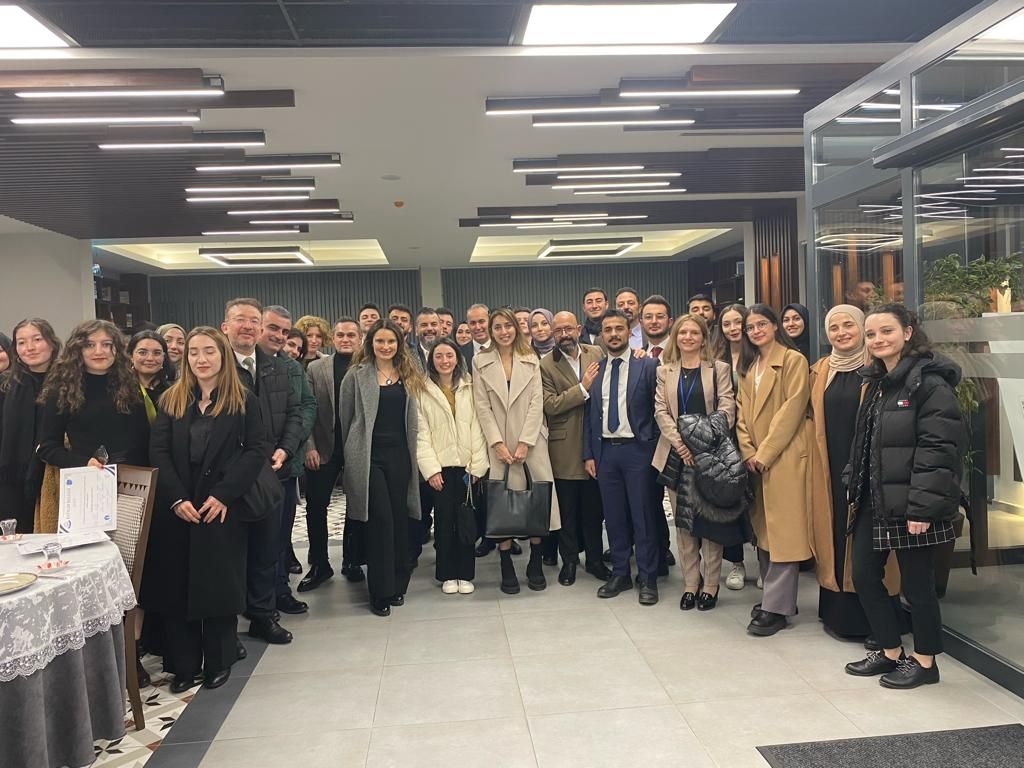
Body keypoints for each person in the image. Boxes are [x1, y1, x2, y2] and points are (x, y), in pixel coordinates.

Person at [844, 304, 964, 689]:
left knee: (916, 585)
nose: (878, 339)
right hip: (875, 499)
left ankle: (926, 662)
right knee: (864, 575)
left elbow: (938, 449)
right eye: (871, 334)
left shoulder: (930, 383)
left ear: (908, 333)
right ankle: (891, 651)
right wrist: (852, 479)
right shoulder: (878, 381)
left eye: (887, 331)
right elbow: (864, 441)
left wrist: (922, 508)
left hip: (913, 504)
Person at [146, 326, 269, 693]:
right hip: (179, 507)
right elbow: (159, 452)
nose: (201, 359)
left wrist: (224, 495)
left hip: (221, 507)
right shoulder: (171, 399)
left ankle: (219, 660)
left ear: (223, 355)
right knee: (178, 587)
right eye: (194, 352)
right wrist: (176, 498)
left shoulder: (243, 400)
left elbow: (256, 450)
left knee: (219, 586)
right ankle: (183, 665)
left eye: (209, 351)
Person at [809, 304, 896, 642]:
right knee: (834, 534)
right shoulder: (820, 370)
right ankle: (838, 614)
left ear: (861, 329)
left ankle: (877, 622)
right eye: (834, 327)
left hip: (869, 467)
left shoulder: (879, 368)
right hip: (830, 465)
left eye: (849, 325)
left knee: (868, 543)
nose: (841, 332)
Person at [222, 298, 304, 645]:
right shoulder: (215, 366)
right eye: (240, 320)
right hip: (227, 478)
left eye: (253, 321)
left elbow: (295, 412)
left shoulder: (277, 367)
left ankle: (262, 615)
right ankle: (226, 629)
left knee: (267, 549)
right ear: (226, 326)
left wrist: (286, 448)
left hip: (272, 472)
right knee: (229, 553)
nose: (248, 326)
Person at [653, 314, 741, 611]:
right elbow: (661, 410)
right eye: (683, 333)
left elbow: (727, 407)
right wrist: (680, 443)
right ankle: (691, 584)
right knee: (684, 525)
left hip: (711, 454)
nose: (688, 337)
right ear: (675, 338)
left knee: (710, 522)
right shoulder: (664, 371)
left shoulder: (719, 369)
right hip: (676, 455)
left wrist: (702, 441)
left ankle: (711, 585)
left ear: (704, 338)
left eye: (694, 332)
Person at [735, 304, 811, 636]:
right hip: (756, 460)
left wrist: (764, 453)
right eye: (750, 327)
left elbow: (792, 410)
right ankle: (774, 598)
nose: (756, 331)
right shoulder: (750, 365)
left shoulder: (793, 361)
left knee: (784, 534)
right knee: (764, 531)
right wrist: (748, 452)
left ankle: (777, 608)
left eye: (762, 324)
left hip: (784, 457)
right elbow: (740, 414)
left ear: (775, 326)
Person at [473, 307, 561, 593]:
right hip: (499, 444)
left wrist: (525, 442)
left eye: (508, 326)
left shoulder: (530, 358)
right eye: (497, 327)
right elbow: (482, 406)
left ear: (516, 328)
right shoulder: (480, 361)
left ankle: (536, 561)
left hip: (531, 443)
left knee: (536, 502)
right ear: (491, 330)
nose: (504, 332)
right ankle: (505, 564)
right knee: (502, 505)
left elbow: (537, 403)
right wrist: (497, 443)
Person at [339, 319, 423, 616]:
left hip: (400, 456)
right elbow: (346, 418)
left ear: (399, 344)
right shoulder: (356, 375)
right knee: (381, 520)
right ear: (370, 343)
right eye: (380, 341)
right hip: (368, 458)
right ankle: (379, 590)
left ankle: (398, 584)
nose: (385, 347)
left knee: (399, 518)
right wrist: (351, 455)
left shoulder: (409, 373)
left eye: (391, 341)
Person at [584, 309, 662, 605]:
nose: (614, 334)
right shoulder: (596, 370)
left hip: (638, 451)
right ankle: (620, 572)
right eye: (608, 330)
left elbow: (659, 410)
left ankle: (648, 577)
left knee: (643, 516)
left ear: (630, 332)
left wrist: (653, 447)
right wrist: (589, 454)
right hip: (606, 452)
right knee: (614, 517)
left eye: (619, 328)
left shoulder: (647, 365)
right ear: (601, 335)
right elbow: (590, 415)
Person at [540, 311, 610, 585]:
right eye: (558, 331)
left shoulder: (597, 353)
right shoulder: (546, 364)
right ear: (552, 334)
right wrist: (582, 388)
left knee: (593, 510)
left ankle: (594, 560)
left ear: (579, 329)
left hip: (597, 444)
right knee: (567, 512)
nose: (564, 335)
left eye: (568, 329)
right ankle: (569, 561)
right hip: (564, 448)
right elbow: (550, 405)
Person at [416, 338, 489, 594]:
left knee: (466, 520)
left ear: (457, 358)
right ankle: (447, 573)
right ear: (431, 360)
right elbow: (421, 434)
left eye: (449, 355)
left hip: (468, 468)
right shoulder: (422, 390)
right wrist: (431, 470)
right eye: (439, 356)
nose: (444, 361)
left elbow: (479, 426)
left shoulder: (471, 386)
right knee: (444, 522)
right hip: (440, 468)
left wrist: (477, 466)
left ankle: (465, 574)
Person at [259, 306, 317, 618]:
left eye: (285, 331)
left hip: (284, 464)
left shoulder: (292, 367)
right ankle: (256, 600)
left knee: (280, 534)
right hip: (247, 468)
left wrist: (288, 446)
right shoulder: (235, 365)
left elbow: (306, 406)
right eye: (273, 328)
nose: (280, 336)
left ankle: (279, 591)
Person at [38, 319, 149, 471]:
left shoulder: (131, 384)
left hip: (133, 477)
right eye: (89, 345)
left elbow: (144, 438)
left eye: (106, 344)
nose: (99, 351)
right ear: (78, 350)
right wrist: (84, 463)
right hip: (87, 477)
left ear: (117, 349)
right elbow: (48, 448)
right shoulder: (62, 391)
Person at [302, 317, 363, 591]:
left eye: (351, 335)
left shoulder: (367, 367)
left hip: (356, 449)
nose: (345, 339)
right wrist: (310, 446)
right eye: (340, 335)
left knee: (356, 506)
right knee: (316, 506)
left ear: (360, 339)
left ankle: (352, 560)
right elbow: (307, 409)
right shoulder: (316, 368)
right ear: (333, 338)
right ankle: (320, 564)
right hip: (323, 449)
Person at [0, 318, 61, 533]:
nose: (30, 348)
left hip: (54, 475)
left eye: (37, 339)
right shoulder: (6, 383)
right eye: (21, 342)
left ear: (52, 343)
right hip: (11, 477)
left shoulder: (68, 382)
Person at [715, 303, 752, 591]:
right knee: (731, 503)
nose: (732, 328)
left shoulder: (758, 355)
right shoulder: (716, 358)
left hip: (754, 436)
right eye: (726, 324)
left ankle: (766, 561)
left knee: (758, 503)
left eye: (737, 322)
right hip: (724, 440)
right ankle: (736, 562)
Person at [128, 330, 174, 420]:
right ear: (131, 356)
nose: (150, 358)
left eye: (157, 353)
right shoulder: (119, 390)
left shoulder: (173, 393)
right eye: (142, 353)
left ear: (164, 357)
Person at [461, 303, 490, 372]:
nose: (477, 327)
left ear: (490, 322)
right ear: (468, 325)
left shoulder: (501, 349)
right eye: (473, 323)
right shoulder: (460, 353)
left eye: (481, 321)